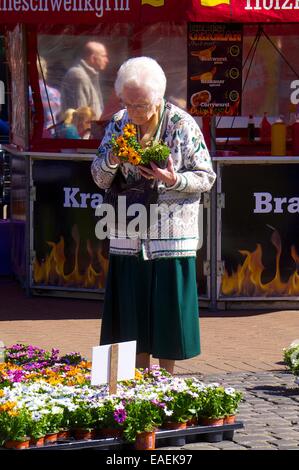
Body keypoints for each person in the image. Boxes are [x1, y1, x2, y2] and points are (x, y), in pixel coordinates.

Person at [91, 57, 216, 374]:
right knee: (131, 314)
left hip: (170, 236)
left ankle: (166, 379)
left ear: (159, 97)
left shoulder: (182, 125)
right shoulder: (118, 124)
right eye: (128, 103)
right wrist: (113, 158)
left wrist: (174, 180)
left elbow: (207, 178)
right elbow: (99, 177)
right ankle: (136, 378)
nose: (135, 111)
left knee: (166, 313)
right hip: (128, 231)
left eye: (142, 104)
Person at [60, 41, 109, 120]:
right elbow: (81, 116)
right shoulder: (78, 76)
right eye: (104, 56)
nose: (107, 60)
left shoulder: (89, 75)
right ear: (93, 58)